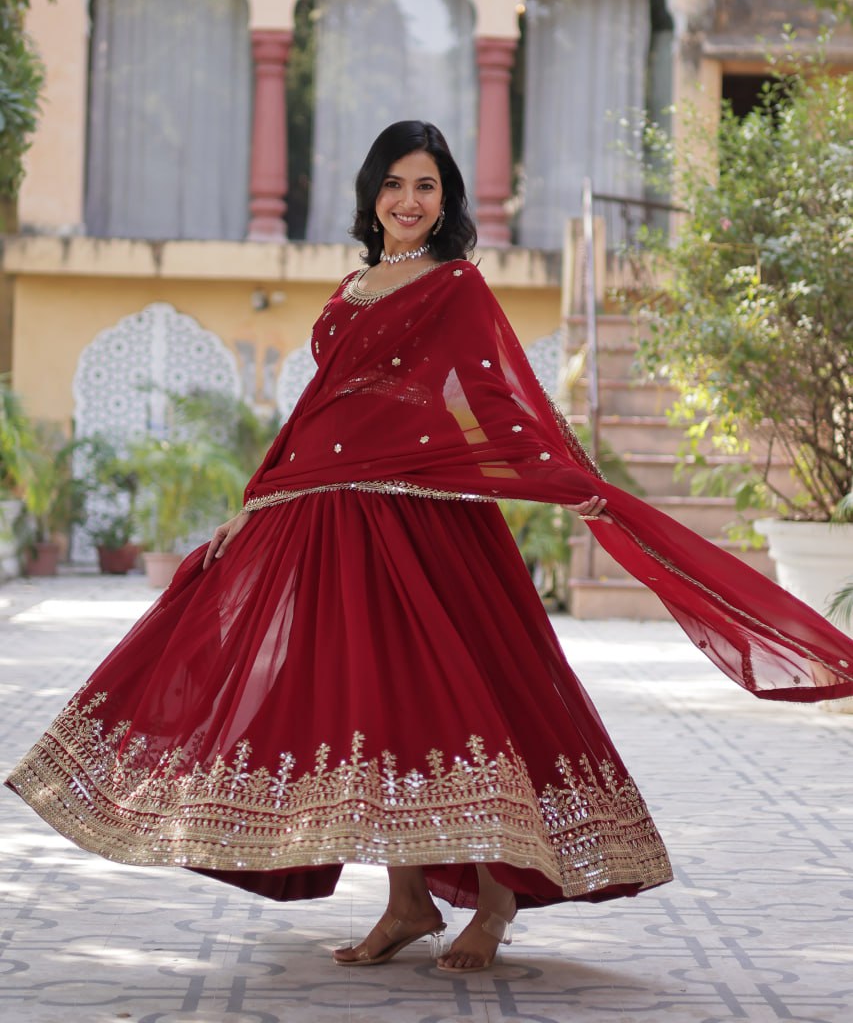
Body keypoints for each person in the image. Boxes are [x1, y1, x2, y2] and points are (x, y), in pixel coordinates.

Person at [7, 120, 853, 975]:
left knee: (456, 696)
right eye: (393, 184)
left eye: (425, 186)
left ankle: (495, 895)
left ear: (445, 201)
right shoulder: (352, 285)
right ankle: (407, 901)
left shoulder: (455, 286)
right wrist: (254, 501)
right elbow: (317, 404)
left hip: (419, 518)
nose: (407, 201)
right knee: (371, 704)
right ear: (371, 195)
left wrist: (553, 474)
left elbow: (490, 399)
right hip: (327, 513)